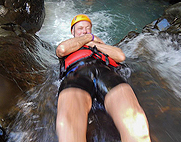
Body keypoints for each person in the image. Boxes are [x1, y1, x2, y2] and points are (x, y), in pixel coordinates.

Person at [56, 14, 151, 142]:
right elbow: (62, 50)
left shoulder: (99, 45)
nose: (84, 31)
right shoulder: (69, 45)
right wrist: (89, 37)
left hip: (105, 74)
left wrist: (93, 44)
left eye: (88, 28)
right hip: (77, 74)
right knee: (69, 123)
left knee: (134, 118)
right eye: (80, 28)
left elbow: (120, 56)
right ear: (72, 31)